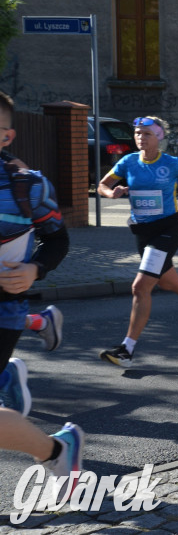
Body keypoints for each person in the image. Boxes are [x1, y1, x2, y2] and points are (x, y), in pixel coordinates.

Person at [97, 117, 178, 367]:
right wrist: (112, 192)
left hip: (168, 229)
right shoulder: (127, 162)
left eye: (147, 134)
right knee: (168, 280)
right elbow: (102, 185)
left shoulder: (172, 163)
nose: (141, 138)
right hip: (142, 232)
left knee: (140, 287)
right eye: (138, 134)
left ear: (159, 137)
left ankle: (126, 350)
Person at [0, 90, 70, 412]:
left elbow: (58, 240)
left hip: (6, 307)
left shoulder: (29, 186)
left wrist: (35, 270)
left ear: (6, 136)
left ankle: (57, 450)